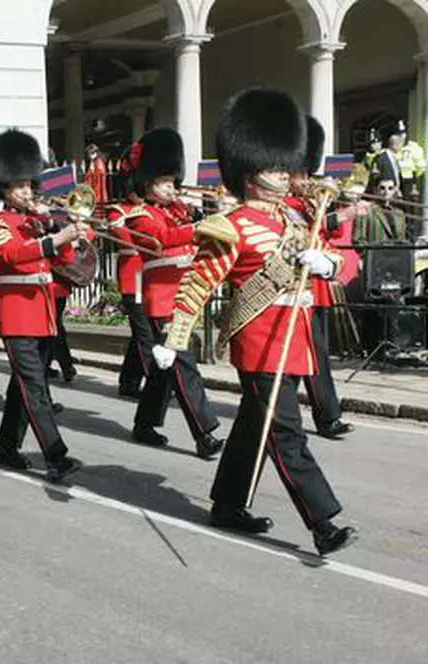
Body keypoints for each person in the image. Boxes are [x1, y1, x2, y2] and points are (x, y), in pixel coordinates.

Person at [160, 87, 356, 556]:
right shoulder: (231, 225)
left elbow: (335, 260)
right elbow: (198, 282)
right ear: (250, 174)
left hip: (295, 341)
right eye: (275, 167)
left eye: (285, 165)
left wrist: (326, 264)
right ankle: (323, 521)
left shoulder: (294, 220)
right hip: (261, 340)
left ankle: (228, 503)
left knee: (254, 425)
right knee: (286, 434)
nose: (285, 174)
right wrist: (175, 338)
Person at [0, 129, 86, 481]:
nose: (26, 191)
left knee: (21, 386)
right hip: (18, 314)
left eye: (28, 184)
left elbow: (63, 260)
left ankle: (8, 446)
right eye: (18, 185)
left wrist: (62, 231)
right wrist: (53, 239)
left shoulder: (39, 222)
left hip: (43, 313)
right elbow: (11, 256)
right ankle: (56, 455)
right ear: (3, 188)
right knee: (36, 386)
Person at [123, 128, 224, 460]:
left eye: (172, 181)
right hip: (162, 300)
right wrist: (196, 227)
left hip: (183, 297)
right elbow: (162, 240)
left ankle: (144, 424)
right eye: (165, 182)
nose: (173, 187)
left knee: (164, 370)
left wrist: (213, 211)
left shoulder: (177, 212)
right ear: (148, 183)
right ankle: (205, 433)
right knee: (183, 365)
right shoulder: (141, 216)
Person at [287, 116, 354, 440]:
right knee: (306, 356)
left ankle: (327, 415)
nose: (304, 178)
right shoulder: (284, 205)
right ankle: (325, 416)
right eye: (299, 173)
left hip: (316, 287)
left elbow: (329, 234)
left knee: (317, 354)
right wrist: (338, 214)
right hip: (294, 290)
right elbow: (307, 234)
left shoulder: (304, 201)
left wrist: (329, 206)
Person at [107, 186, 150, 398]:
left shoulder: (152, 210)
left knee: (140, 334)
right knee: (145, 335)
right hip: (133, 279)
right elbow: (126, 239)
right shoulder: (117, 211)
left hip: (152, 278)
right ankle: (155, 383)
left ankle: (128, 382)